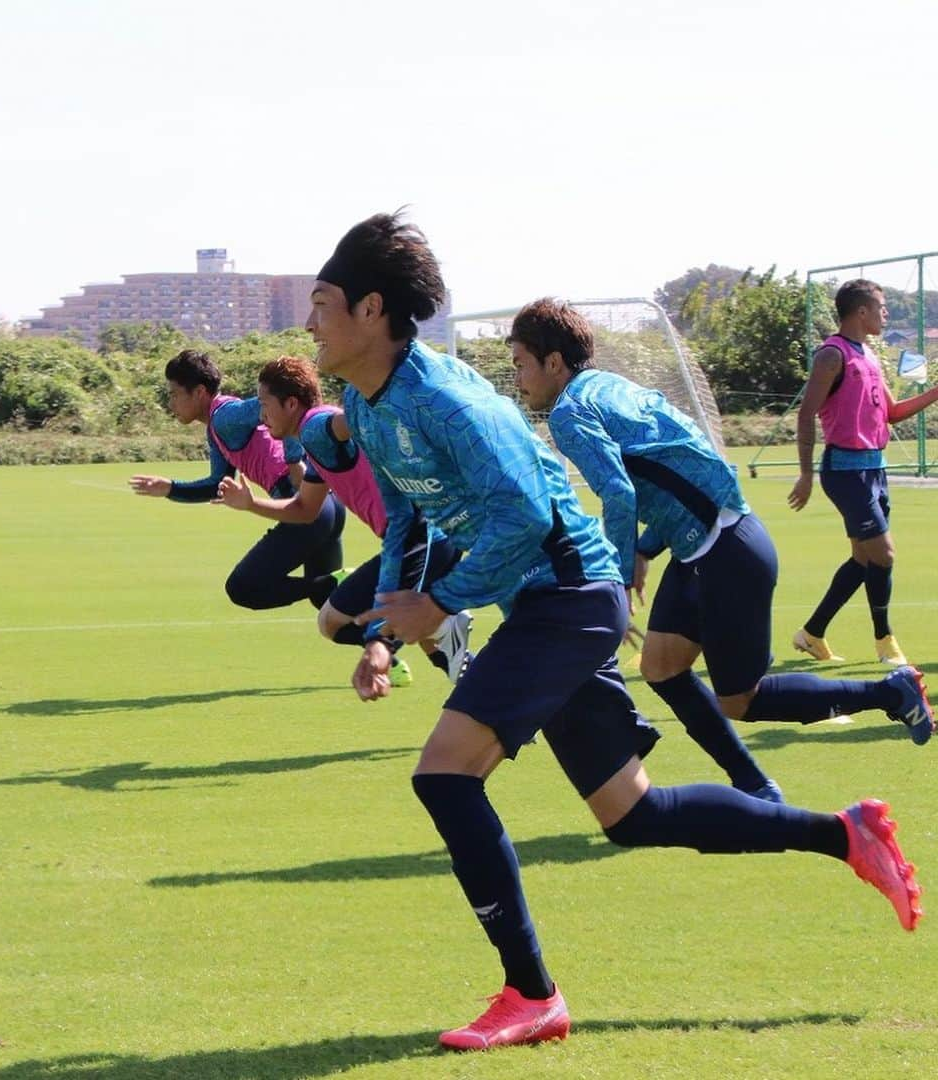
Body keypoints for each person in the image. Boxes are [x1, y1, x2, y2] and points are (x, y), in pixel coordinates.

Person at [307, 212, 923, 1052]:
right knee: (632, 814)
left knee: (445, 776)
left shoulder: (445, 397)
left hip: (570, 594)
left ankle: (531, 994)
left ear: (371, 310)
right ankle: (842, 832)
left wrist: (444, 602)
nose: (310, 323)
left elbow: (525, 513)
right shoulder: (364, 402)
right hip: (549, 604)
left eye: (321, 303)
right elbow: (410, 516)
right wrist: (384, 623)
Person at [508, 297, 935, 758]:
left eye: (519, 364)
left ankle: (890, 693)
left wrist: (614, 578)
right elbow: (680, 468)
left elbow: (619, 493)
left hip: (723, 552)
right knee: (660, 667)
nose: (516, 380)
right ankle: (751, 785)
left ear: (553, 362)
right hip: (715, 544)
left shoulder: (569, 413)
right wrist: (647, 548)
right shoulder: (610, 386)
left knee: (740, 699)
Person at [217, 353, 473, 683]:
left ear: (291, 403)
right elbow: (305, 509)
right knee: (429, 641)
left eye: (265, 405)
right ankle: (499, 709)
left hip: (419, 538)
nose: (261, 416)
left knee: (334, 622)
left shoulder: (314, 426)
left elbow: (348, 419)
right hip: (420, 540)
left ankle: (443, 624)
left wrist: (386, 403)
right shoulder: (314, 444)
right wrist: (251, 504)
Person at [789, 279, 938, 665]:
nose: (885, 314)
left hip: (875, 469)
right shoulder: (831, 355)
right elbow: (806, 414)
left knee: (863, 559)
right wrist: (805, 474)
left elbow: (892, 413)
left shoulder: (869, 355)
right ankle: (885, 640)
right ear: (861, 312)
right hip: (846, 471)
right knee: (884, 556)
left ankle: (811, 633)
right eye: (881, 308)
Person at [129, 349, 346, 612]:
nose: (171, 404)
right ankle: (381, 644)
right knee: (332, 604)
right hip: (327, 505)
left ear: (199, 392)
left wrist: (293, 459)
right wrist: (170, 489)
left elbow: (289, 406)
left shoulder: (225, 417)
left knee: (244, 587)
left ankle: (355, 582)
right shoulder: (217, 428)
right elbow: (216, 485)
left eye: (174, 394)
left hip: (307, 504)